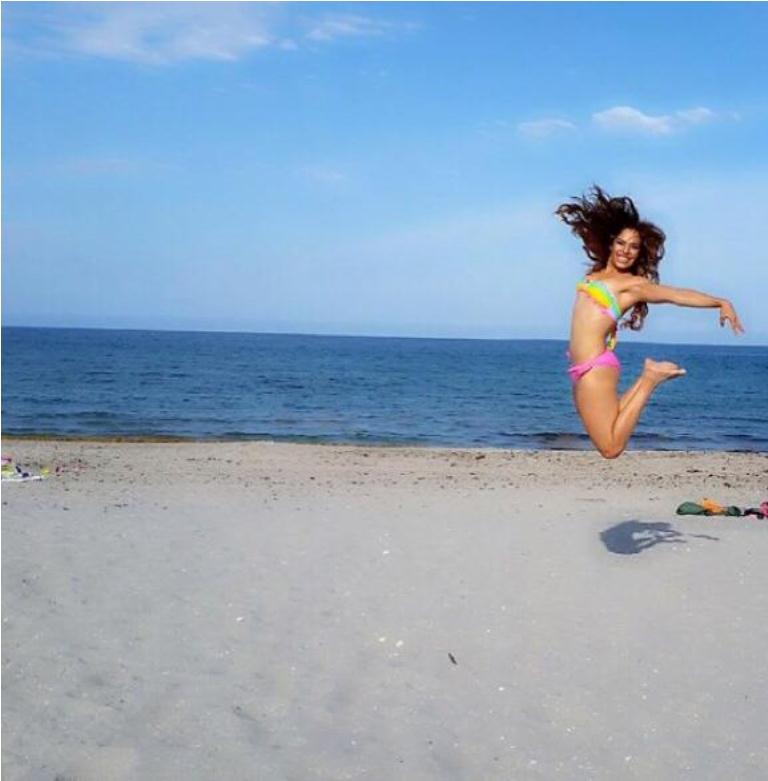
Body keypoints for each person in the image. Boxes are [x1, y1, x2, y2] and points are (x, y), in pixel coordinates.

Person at [556, 185, 744, 459]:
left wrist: (719, 302)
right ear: (610, 243)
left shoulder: (632, 285)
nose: (626, 251)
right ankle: (650, 375)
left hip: (595, 368)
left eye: (634, 247)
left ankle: (649, 378)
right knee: (609, 432)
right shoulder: (595, 274)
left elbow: (675, 295)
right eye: (621, 243)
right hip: (580, 367)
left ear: (639, 252)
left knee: (611, 447)